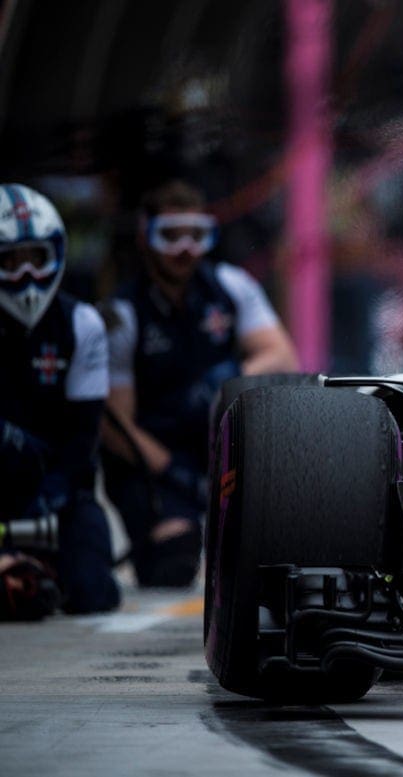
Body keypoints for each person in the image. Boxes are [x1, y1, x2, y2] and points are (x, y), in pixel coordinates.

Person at [100, 180, 298, 587]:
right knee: (172, 564)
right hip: (154, 464)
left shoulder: (231, 286)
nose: (185, 248)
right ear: (145, 237)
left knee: (276, 558)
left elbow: (282, 356)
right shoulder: (122, 314)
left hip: (220, 444)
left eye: (196, 235)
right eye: (170, 236)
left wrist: (228, 385)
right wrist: (176, 475)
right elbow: (116, 427)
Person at [0, 183, 120, 618]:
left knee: (94, 594)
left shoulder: (82, 323)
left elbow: (83, 439)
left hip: (58, 490)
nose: (26, 277)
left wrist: (50, 499)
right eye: (9, 263)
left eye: (35, 259)